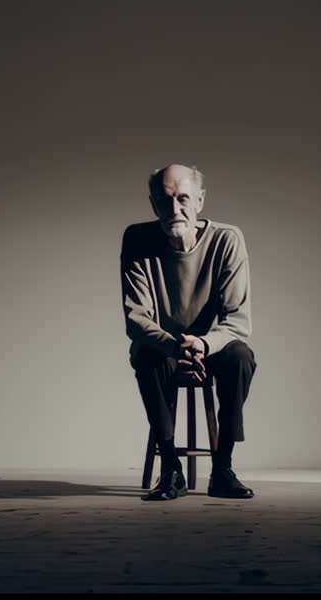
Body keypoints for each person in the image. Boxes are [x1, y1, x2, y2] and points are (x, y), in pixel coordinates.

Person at [120, 163, 257, 501]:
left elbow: (238, 320)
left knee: (241, 356)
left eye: (183, 198)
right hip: (164, 349)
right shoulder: (138, 239)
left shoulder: (227, 239)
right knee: (144, 351)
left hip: (209, 347)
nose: (174, 209)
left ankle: (223, 469)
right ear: (153, 204)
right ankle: (170, 469)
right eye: (164, 200)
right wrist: (175, 347)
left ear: (200, 200)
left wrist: (203, 344)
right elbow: (136, 319)